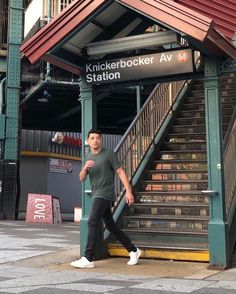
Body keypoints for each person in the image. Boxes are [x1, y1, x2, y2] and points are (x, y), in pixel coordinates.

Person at [70, 128, 141, 268]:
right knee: (111, 226)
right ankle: (133, 250)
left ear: (100, 139)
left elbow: (120, 172)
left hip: (105, 193)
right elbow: (82, 178)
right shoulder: (89, 157)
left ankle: (88, 258)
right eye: (93, 138)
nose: (95, 140)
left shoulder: (108, 154)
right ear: (88, 141)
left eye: (98, 138)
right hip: (96, 193)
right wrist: (84, 168)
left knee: (91, 221)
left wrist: (129, 191)